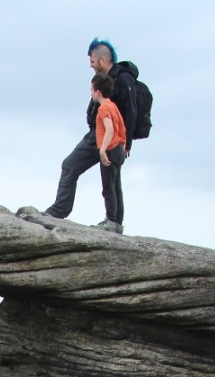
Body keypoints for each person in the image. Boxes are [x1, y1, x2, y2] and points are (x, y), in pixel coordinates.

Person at [44, 38, 138, 232]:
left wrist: (125, 143)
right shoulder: (107, 80)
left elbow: (130, 111)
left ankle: (62, 211)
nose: (91, 66)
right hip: (105, 137)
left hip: (105, 139)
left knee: (72, 166)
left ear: (102, 60)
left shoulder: (122, 80)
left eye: (93, 62)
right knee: (111, 180)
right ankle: (114, 222)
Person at [91, 73, 126, 233]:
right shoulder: (113, 106)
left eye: (92, 90)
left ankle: (110, 220)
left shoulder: (104, 108)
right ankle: (118, 222)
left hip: (111, 149)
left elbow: (110, 129)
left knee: (108, 187)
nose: (91, 93)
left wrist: (103, 150)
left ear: (98, 91)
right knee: (116, 186)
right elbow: (122, 127)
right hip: (118, 148)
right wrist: (123, 144)